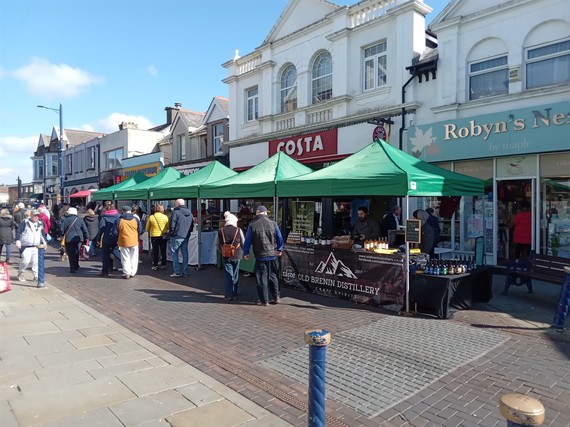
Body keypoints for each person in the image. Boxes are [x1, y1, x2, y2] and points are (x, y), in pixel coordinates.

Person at [243, 205, 284, 306]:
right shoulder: (273, 223)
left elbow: (247, 240)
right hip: (273, 254)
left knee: (262, 278)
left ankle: (264, 300)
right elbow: (279, 237)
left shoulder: (252, 225)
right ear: (265, 213)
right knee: (273, 275)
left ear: (257, 213)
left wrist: (246, 252)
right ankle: (276, 296)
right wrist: (279, 249)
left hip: (260, 255)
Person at [218, 211, 245, 301]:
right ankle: (234, 291)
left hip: (225, 255)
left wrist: (222, 250)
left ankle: (229, 294)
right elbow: (243, 242)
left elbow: (216, 244)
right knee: (235, 273)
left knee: (228, 274)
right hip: (237, 254)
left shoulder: (221, 230)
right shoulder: (238, 230)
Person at [15, 209, 46, 282]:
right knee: (26, 260)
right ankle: (21, 273)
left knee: (36, 262)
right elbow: (19, 231)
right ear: (31, 215)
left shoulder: (40, 223)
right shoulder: (25, 222)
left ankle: (36, 276)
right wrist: (18, 241)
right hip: (26, 245)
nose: (36, 217)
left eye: (37, 215)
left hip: (36, 246)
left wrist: (44, 242)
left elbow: (42, 234)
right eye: (34, 215)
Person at [113, 205, 142, 279]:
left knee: (125, 257)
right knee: (134, 257)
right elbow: (140, 230)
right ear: (130, 211)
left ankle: (126, 272)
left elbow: (115, 232)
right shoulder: (136, 219)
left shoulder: (119, 220)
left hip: (123, 241)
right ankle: (133, 272)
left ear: (123, 211)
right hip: (134, 241)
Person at [168, 198, 194, 278]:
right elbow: (192, 225)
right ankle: (185, 271)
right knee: (185, 253)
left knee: (174, 252)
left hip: (177, 235)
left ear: (178, 204)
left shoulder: (176, 212)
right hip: (186, 235)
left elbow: (172, 225)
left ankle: (177, 272)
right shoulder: (190, 213)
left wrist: (171, 233)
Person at [59, 207, 89, 274]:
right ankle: (76, 265)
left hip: (69, 239)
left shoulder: (65, 220)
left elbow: (61, 230)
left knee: (71, 253)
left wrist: (61, 236)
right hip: (79, 238)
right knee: (77, 251)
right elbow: (85, 230)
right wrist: (87, 237)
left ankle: (72, 268)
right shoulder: (80, 219)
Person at [96, 202, 121, 277]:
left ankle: (105, 271)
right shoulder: (118, 216)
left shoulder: (104, 217)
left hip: (107, 238)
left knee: (105, 255)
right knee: (117, 252)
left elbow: (101, 228)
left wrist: (98, 238)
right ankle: (127, 267)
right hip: (116, 237)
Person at [146, 203, 169, 271]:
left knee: (155, 250)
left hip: (154, 236)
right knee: (163, 250)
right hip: (163, 235)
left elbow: (147, 228)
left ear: (155, 209)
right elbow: (168, 227)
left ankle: (155, 265)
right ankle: (163, 264)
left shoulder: (151, 217)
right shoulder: (165, 217)